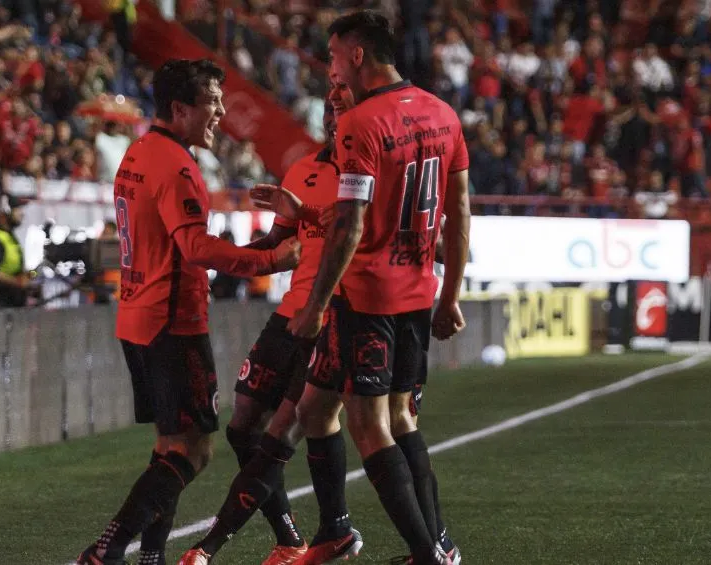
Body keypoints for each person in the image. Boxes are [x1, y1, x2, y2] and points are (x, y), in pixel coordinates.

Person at [74, 59, 300, 565]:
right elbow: (196, 248)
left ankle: (152, 557)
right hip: (172, 322)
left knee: (169, 447)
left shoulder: (138, 153)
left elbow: (177, 247)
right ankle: (107, 549)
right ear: (180, 109)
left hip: (138, 317)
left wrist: (269, 242)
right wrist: (271, 261)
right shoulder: (177, 165)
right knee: (194, 451)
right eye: (212, 103)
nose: (220, 113)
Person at [288, 11, 470, 565]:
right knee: (362, 414)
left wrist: (315, 304)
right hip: (417, 292)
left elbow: (350, 224)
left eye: (333, 55)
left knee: (369, 425)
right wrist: (450, 295)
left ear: (357, 55)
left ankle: (426, 553)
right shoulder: (443, 115)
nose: (331, 67)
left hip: (368, 296)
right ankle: (413, 543)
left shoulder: (360, 123)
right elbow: (460, 211)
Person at [177, 98, 348, 565]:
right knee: (241, 426)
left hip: (334, 318)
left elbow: (354, 234)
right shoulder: (303, 170)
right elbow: (279, 243)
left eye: (344, 109)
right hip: (289, 315)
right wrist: (229, 260)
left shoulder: (369, 174)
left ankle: (207, 548)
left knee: (280, 434)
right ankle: (290, 539)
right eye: (330, 110)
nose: (335, 119)